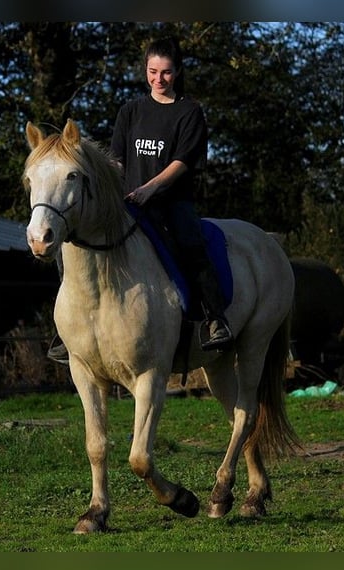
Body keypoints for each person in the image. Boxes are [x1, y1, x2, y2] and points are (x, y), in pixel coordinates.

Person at [47, 35, 233, 363]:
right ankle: (66, 330)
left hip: (172, 200)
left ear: (177, 72)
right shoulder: (131, 110)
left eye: (166, 72)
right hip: (130, 200)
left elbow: (182, 162)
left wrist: (152, 188)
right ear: (144, 69)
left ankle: (215, 318)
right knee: (72, 243)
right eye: (152, 71)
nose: (158, 79)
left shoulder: (189, 112)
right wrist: (114, 187)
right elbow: (117, 160)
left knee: (192, 245)